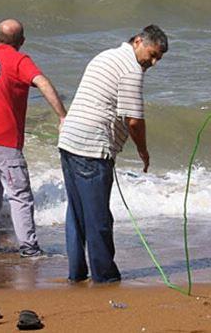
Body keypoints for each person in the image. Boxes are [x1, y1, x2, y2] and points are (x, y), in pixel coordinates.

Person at [57, 25, 168, 283]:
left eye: (158, 59)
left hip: (69, 140)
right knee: (98, 218)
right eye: (151, 55)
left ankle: (77, 273)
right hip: (91, 147)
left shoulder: (105, 56)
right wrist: (143, 151)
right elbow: (134, 120)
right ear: (138, 41)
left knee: (76, 213)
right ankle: (104, 276)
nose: (152, 62)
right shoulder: (131, 69)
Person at [0, 18, 66, 257]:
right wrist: (63, 115)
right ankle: (29, 248)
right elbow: (41, 82)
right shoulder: (19, 60)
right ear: (22, 41)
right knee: (19, 193)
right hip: (2, 138)